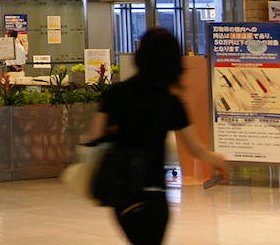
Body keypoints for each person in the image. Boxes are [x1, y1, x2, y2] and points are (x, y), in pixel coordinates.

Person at [86, 27, 228, 245]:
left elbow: (94, 137)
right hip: (154, 192)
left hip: (123, 191)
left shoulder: (116, 93)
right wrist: (217, 160)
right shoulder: (170, 102)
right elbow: (195, 149)